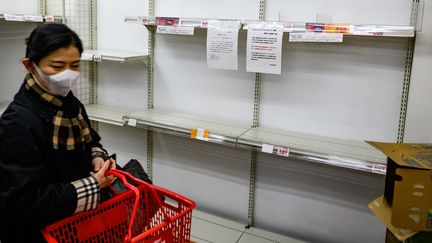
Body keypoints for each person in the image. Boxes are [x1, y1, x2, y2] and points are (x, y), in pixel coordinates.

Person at [0, 23, 116, 243]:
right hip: (37, 234)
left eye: (74, 65)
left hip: (73, 225)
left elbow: (91, 140)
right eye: (56, 66)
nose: (67, 75)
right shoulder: (17, 123)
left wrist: (97, 157)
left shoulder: (70, 104)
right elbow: (20, 202)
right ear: (30, 66)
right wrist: (92, 186)